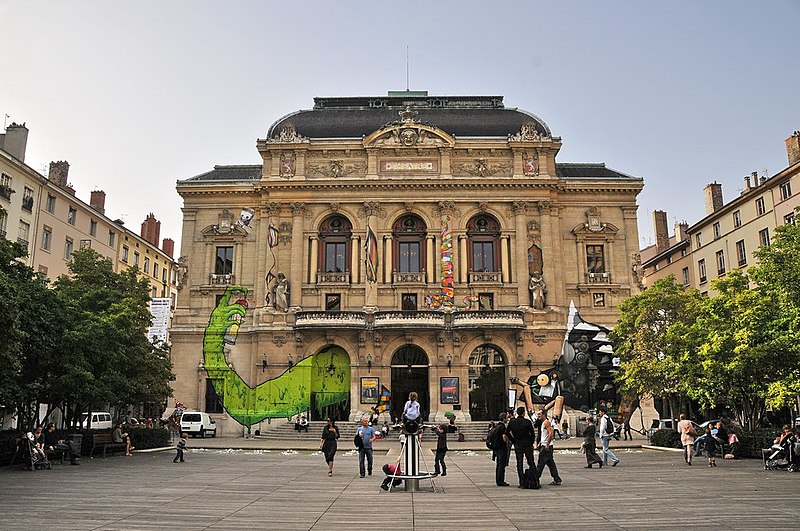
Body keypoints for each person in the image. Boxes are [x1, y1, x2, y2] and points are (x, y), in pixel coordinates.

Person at [506, 406, 539, 489]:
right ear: (523, 413)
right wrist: (531, 443)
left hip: (518, 444)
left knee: (519, 463)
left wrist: (513, 440)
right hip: (527, 444)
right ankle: (536, 480)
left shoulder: (512, 422)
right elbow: (532, 434)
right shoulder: (527, 422)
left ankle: (522, 482)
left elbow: (507, 432)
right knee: (531, 462)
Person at [535, 410, 562, 485]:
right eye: (538, 414)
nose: (538, 416)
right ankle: (556, 478)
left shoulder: (546, 422)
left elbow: (551, 433)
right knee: (550, 463)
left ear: (544, 414)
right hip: (546, 445)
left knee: (540, 463)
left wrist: (547, 444)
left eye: (540, 414)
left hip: (546, 446)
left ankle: (536, 478)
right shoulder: (544, 422)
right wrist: (540, 443)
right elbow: (545, 435)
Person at [492, 413, 510, 486]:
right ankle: (501, 481)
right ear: (503, 418)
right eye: (506, 418)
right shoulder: (502, 427)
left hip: (496, 448)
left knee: (498, 465)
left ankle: (498, 480)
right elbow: (504, 438)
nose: (507, 419)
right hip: (501, 448)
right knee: (501, 465)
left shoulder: (496, 426)